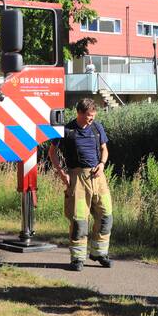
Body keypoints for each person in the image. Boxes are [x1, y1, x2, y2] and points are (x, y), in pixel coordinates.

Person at [48, 99, 112, 271]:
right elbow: (51, 152)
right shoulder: (66, 130)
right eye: (89, 116)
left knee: (106, 216)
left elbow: (104, 148)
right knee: (79, 221)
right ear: (80, 113)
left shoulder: (97, 128)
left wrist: (102, 164)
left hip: (98, 177)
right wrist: (61, 173)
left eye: (93, 116)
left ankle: (99, 253)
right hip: (77, 178)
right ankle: (77, 259)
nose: (91, 119)